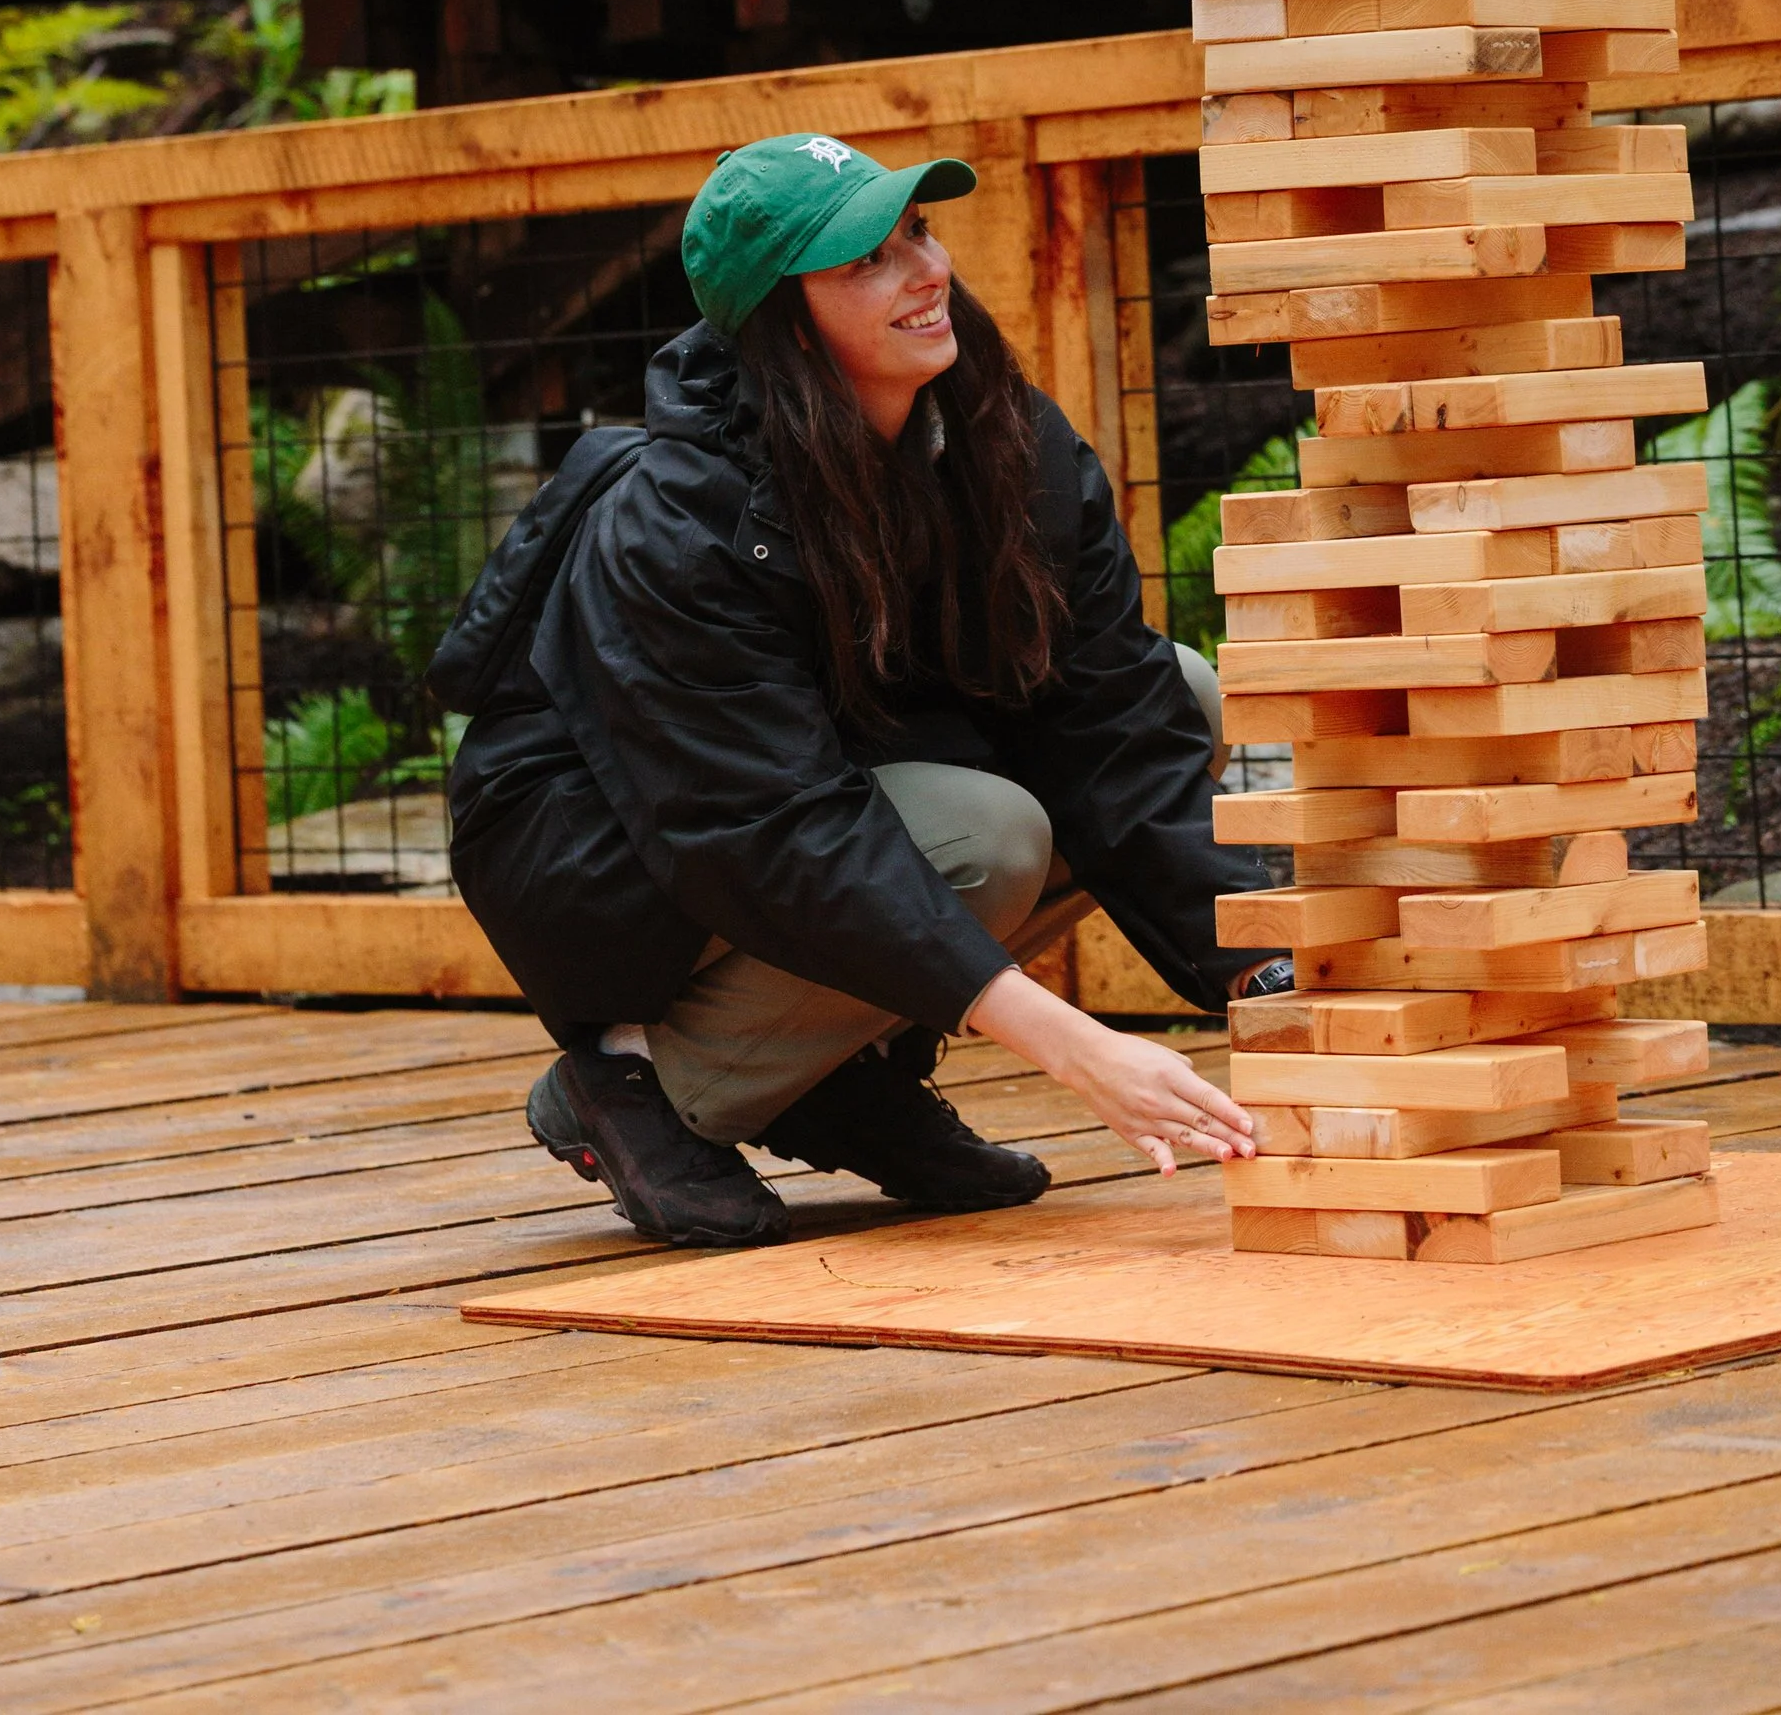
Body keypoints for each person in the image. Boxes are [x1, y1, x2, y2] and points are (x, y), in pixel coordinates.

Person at [445, 129, 1281, 1246]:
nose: (926, 272)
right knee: (982, 835)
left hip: (811, 802)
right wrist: (1074, 1045)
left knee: (1177, 693)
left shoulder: (1005, 444)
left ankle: (845, 1074)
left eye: (918, 235)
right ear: (779, 319)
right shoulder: (677, 522)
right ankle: (639, 1080)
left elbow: (1110, 717)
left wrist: (1266, 972)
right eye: (863, 264)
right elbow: (773, 827)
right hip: (603, 854)